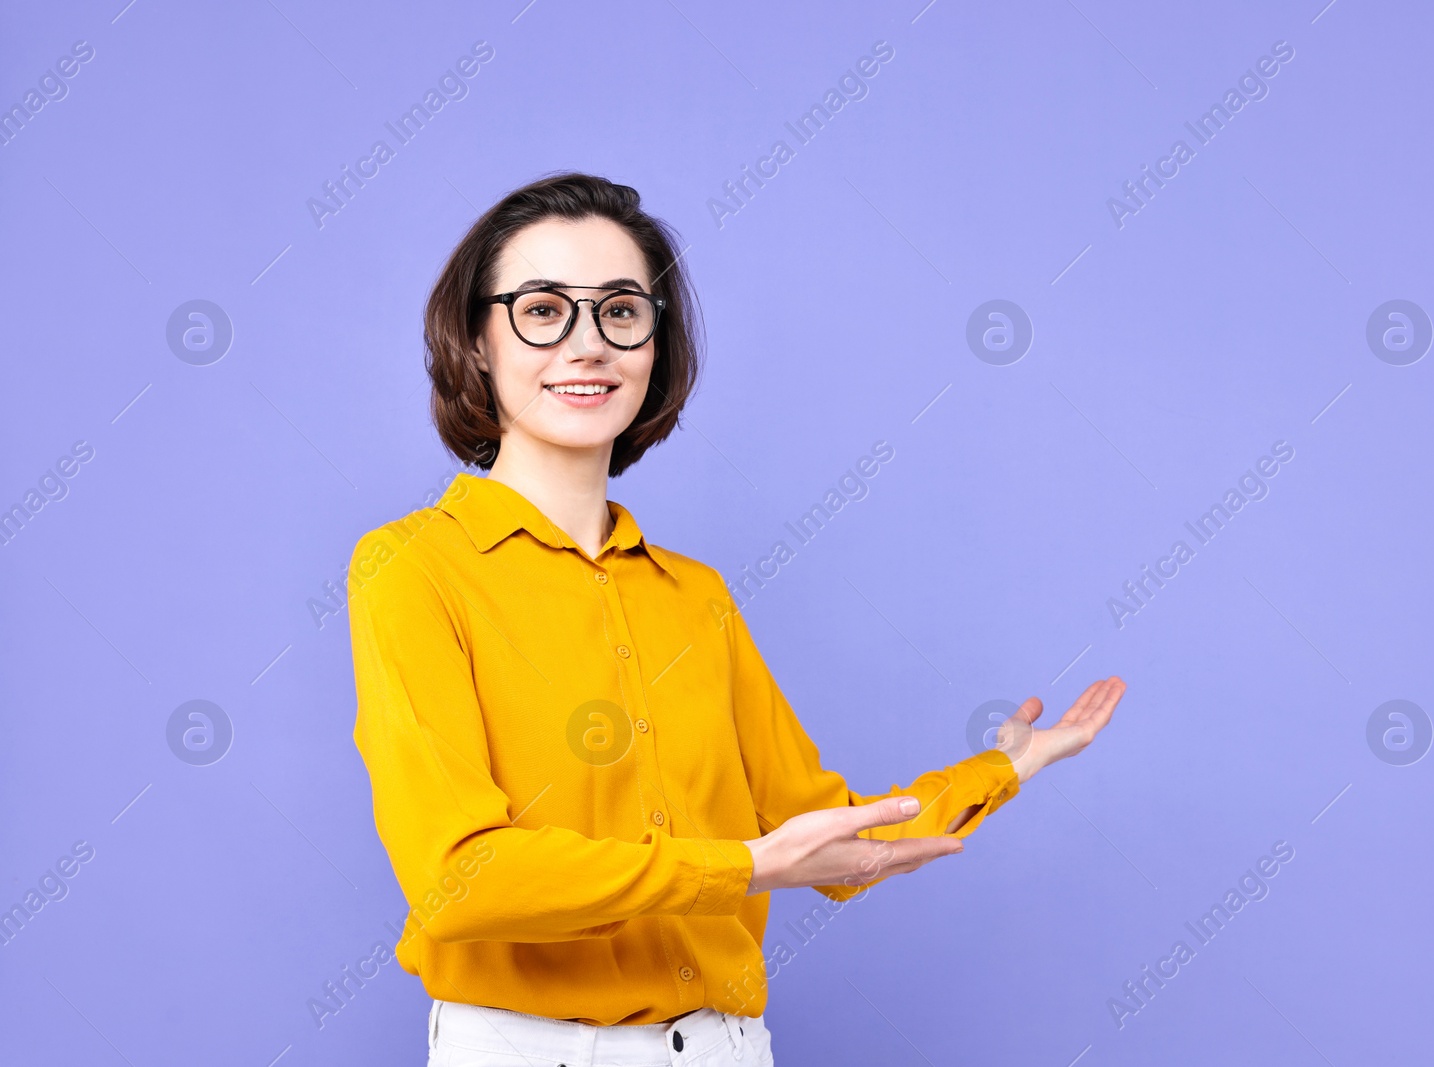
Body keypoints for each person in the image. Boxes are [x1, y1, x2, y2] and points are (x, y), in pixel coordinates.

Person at [347, 172, 1125, 1067]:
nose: (588, 344)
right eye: (543, 310)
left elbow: (823, 836)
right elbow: (461, 879)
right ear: (477, 339)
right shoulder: (412, 567)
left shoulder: (697, 597)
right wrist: (743, 868)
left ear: (656, 342)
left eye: (622, 312)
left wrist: (1004, 767)